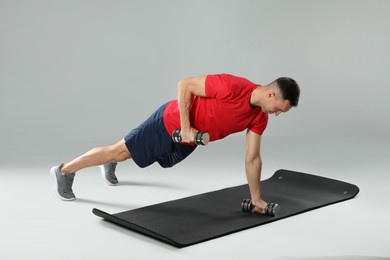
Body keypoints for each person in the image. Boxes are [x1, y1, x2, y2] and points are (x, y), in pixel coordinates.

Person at [50, 73, 300, 215]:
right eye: (280, 109)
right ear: (271, 95)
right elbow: (185, 85)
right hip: (170, 122)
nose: (277, 114)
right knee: (120, 151)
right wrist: (187, 126)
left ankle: (111, 162)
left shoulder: (259, 118)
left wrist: (256, 198)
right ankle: (64, 171)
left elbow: (253, 158)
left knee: (157, 161)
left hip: (188, 140)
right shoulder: (233, 86)